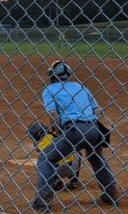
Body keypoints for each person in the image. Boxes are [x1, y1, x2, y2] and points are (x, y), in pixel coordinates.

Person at [30, 60, 119, 212]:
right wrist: (87, 123)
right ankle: (110, 195)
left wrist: (59, 131)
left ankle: (42, 202)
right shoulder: (81, 87)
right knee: (96, 158)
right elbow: (98, 111)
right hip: (94, 129)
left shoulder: (50, 89)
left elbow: (53, 114)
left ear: (52, 74)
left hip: (74, 130)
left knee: (46, 158)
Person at [27, 122, 82, 191]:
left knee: (42, 163)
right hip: (72, 166)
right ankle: (74, 180)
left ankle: (55, 180)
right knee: (77, 153)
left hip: (57, 169)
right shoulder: (56, 133)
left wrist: (37, 141)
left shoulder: (42, 142)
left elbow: (37, 149)